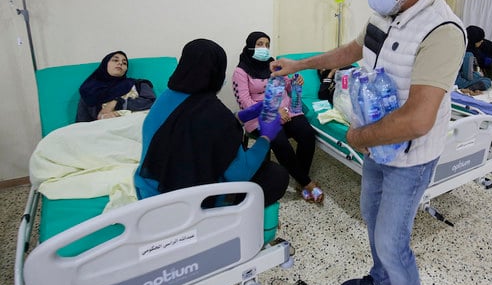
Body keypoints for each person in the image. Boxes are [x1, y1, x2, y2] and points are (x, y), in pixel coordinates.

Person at [270, 0, 465, 285]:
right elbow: (350, 51)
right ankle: (382, 282)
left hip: (410, 157)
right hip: (378, 146)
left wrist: (355, 137)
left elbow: (418, 119)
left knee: (393, 245)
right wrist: (301, 64)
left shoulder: (442, 30)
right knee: (373, 220)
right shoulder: (386, 15)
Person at [134, 38, 289, 208]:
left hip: (150, 192)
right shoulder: (214, 112)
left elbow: (195, 127)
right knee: (276, 175)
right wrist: (266, 137)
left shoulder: (165, 97)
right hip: (188, 203)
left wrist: (238, 117)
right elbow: (239, 174)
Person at [232, 31, 322, 203]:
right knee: (280, 142)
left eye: (267, 44)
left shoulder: (274, 65)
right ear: (250, 46)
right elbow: (244, 102)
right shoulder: (240, 72)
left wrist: (296, 81)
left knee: (307, 135)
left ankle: (300, 179)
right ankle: (307, 183)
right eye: (259, 44)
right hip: (260, 115)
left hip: (287, 109)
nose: (264, 48)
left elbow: (287, 85)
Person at [76, 50, 156, 122]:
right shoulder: (89, 91)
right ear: (105, 65)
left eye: (124, 63)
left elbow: (152, 103)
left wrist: (117, 103)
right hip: (102, 131)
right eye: (115, 60)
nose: (120, 63)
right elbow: (82, 124)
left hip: (134, 125)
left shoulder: (138, 84)